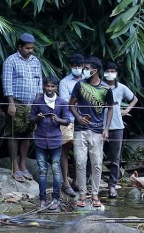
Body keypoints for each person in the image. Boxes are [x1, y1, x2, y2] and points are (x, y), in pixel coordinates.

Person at [69, 56, 112, 208]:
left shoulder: (106, 88)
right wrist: (79, 118)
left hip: (97, 131)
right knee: (80, 162)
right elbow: (71, 105)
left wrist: (106, 129)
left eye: (86, 68)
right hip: (80, 130)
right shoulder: (79, 85)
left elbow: (110, 107)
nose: (83, 70)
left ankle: (94, 194)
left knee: (97, 163)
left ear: (95, 70)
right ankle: (82, 193)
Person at [2, 33, 43, 182]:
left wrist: (39, 103)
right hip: (17, 103)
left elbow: (39, 83)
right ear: (20, 47)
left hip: (32, 104)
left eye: (32, 48)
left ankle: (23, 164)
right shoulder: (11, 60)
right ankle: (15, 166)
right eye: (27, 48)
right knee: (13, 134)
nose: (30, 50)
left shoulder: (35, 61)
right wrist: (11, 103)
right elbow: (6, 83)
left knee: (27, 135)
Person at [30, 76, 70, 211]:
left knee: (55, 170)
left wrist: (58, 119)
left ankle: (56, 199)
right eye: (48, 86)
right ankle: (42, 200)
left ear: (56, 88)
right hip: (40, 140)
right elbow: (31, 120)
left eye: (53, 86)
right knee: (42, 171)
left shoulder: (62, 103)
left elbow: (67, 121)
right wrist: (37, 118)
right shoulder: (37, 101)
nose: (50, 89)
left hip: (55, 140)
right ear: (43, 87)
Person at [103, 62, 137, 198]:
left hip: (117, 126)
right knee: (94, 157)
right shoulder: (99, 86)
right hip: (100, 126)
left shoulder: (122, 88)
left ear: (116, 74)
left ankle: (112, 186)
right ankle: (90, 185)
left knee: (115, 159)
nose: (110, 73)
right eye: (108, 71)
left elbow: (134, 99)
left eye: (113, 71)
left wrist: (127, 110)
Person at [58, 53, 85, 197]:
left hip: (83, 120)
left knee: (79, 152)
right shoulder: (64, 82)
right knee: (64, 150)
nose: (77, 69)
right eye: (74, 66)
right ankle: (65, 183)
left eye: (79, 66)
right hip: (68, 120)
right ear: (70, 67)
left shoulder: (87, 80)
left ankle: (76, 181)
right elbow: (65, 102)